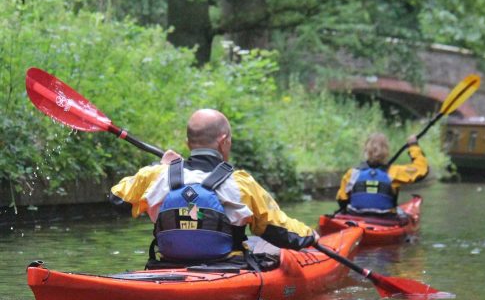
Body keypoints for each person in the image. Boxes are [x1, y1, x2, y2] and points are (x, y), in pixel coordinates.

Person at [110, 109, 318, 268]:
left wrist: (160, 167)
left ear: (188, 143)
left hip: (167, 267)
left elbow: (117, 199)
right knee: (263, 244)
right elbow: (278, 230)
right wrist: (311, 236)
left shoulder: (156, 175)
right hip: (227, 268)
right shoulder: (240, 183)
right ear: (223, 141)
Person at [336, 132, 429, 217]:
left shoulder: (352, 174)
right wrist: (413, 146)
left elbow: (342, 200)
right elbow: (422, 169)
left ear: (366, 150)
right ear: (386, 152)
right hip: (386, 221)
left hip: (355, 219)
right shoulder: (395, 172)